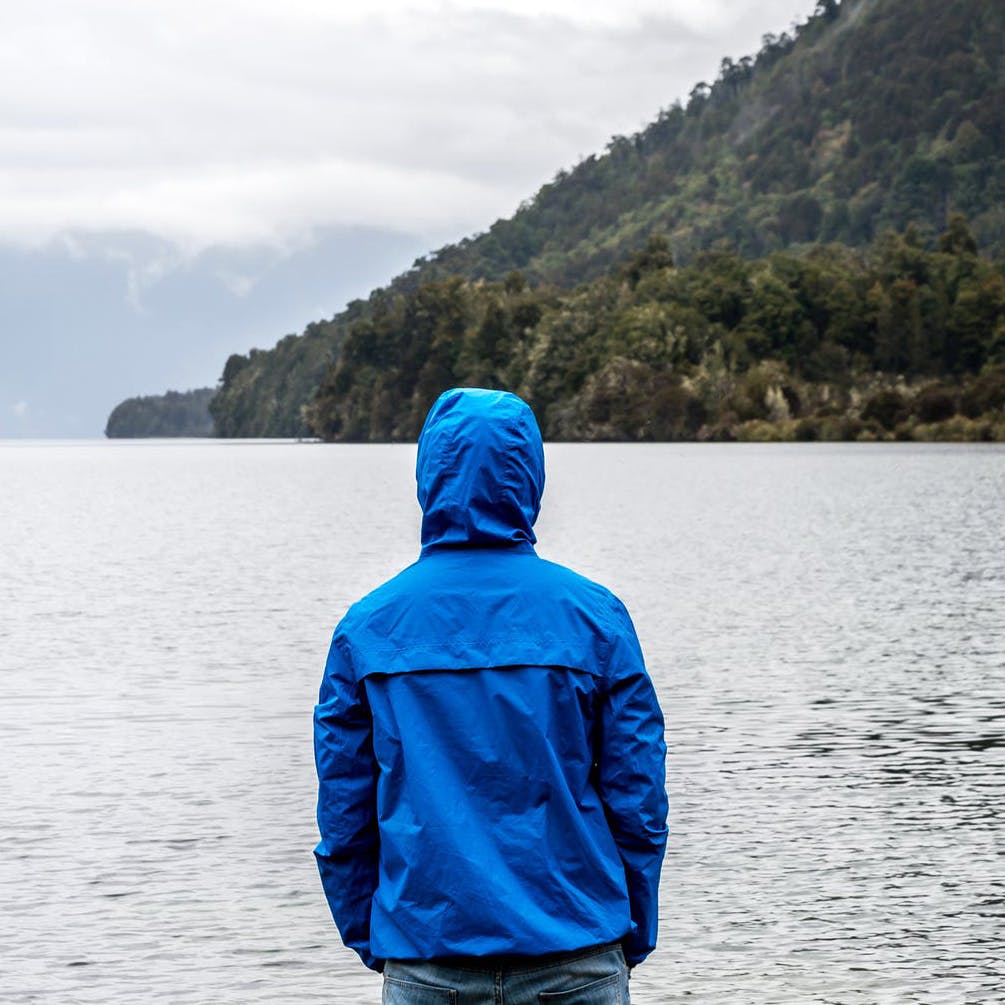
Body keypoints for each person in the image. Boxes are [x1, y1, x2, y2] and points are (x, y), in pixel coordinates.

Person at [314, 387, 668, 1004]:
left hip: (428, 960)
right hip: (577, 953)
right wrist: (628, 930)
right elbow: (637, 800)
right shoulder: (595, 619)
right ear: (529, 476)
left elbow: (345, 818)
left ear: (429, 475)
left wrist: (375, 938)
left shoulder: (369, 628)